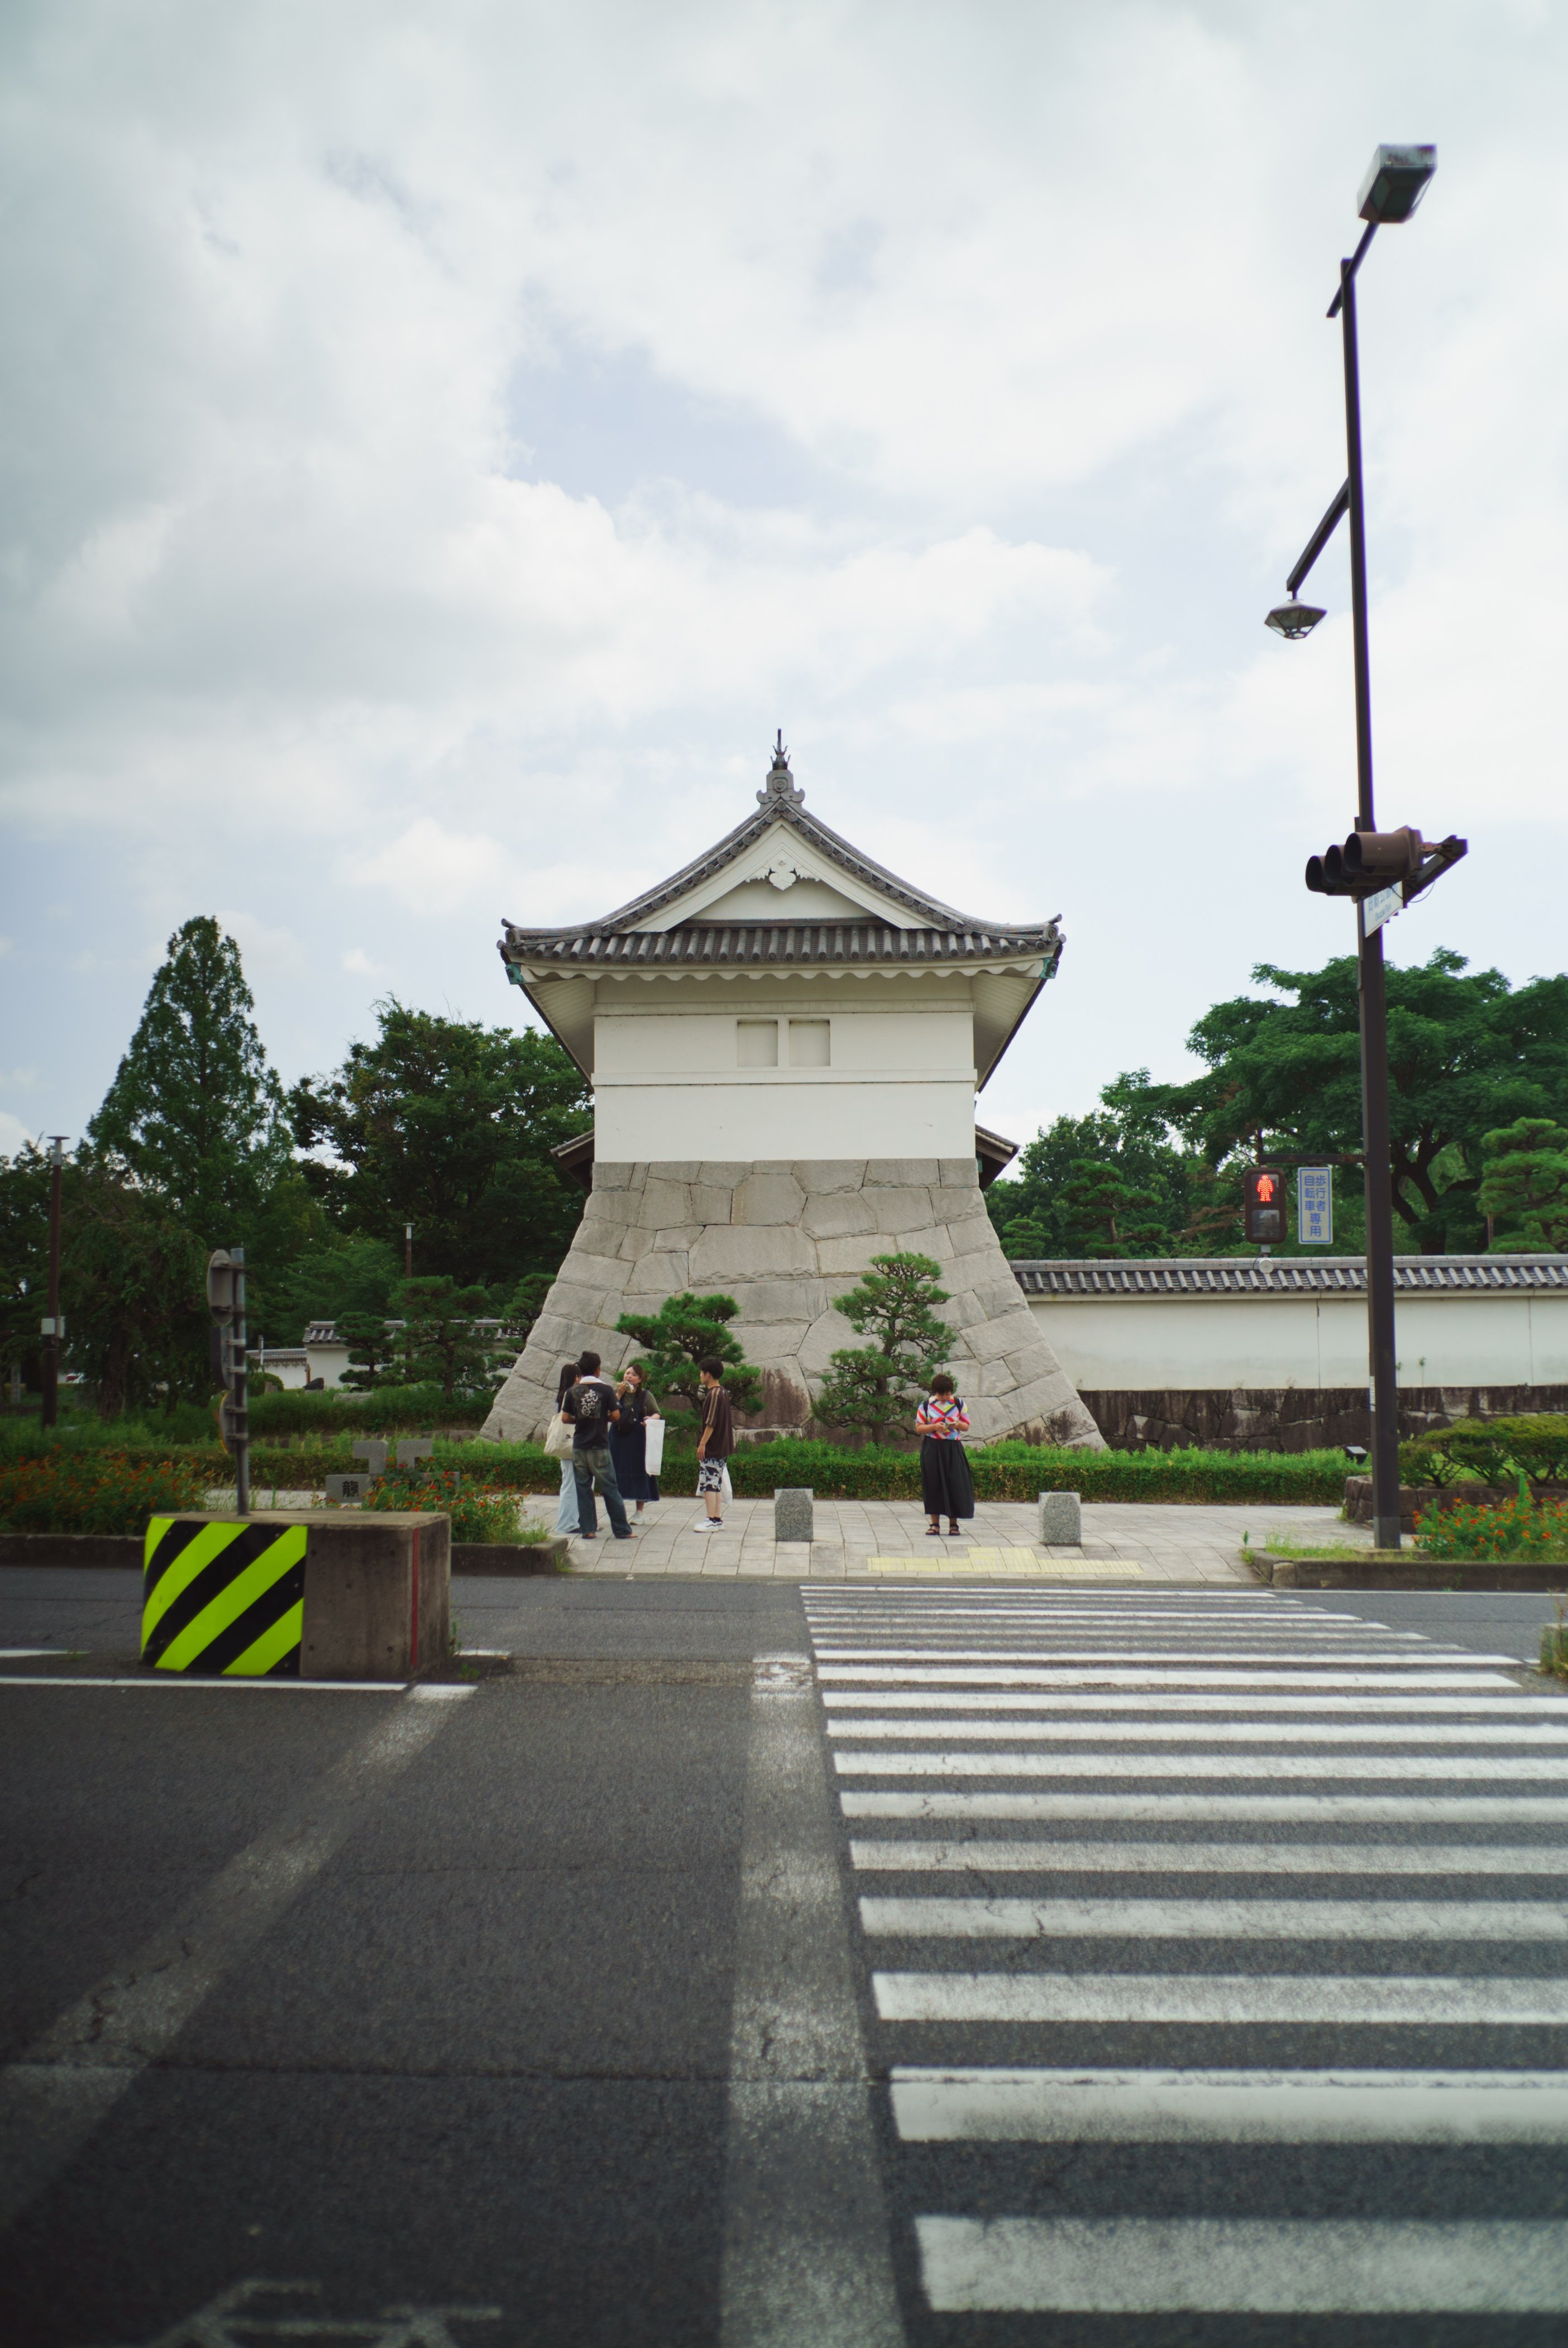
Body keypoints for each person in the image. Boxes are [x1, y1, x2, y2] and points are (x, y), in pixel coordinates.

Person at [563, 1349, 634, 1542]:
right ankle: (621, 1530)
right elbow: (617, 1416)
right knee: (610, 1488)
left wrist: (580, 1418)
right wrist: (603, 1417)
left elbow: (565, 1417)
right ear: (598, 1370)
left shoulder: (573, 1391)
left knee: (583, 1489)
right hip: (600, 1446)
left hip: (579, 1446)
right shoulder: (606, 1390)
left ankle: (588, 1529)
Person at [916, 1372, 974, 1536]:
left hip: (953, 1447)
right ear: (935, 1392)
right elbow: (919, 1428)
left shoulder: (959, 1403)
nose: (944, 1397)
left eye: (947, 1393)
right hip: (932, 1448)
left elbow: (966, 1426)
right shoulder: (927, 1405)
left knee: (954, 1483)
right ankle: (935, 1524)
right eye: (941, 1394)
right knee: (933, 1484)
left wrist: (957, 1425)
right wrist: (934, 1427)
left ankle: (954, 1525)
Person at [610, 1361, 661, 1512]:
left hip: (638, 1439)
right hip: (618, 1437)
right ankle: (618, 1510)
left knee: (640, 1472)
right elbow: (608, 1412)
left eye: (634, 1375)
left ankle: (640, 1512)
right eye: (627, 1373)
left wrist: (652, 1419)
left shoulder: (646, 1395)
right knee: (616, 1472)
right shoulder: (616, 1393)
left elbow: (658, 1413)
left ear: (640, 1379)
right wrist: (618, 1394)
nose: (629, 1376)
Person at [694, 1355, 733, 1529]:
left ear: (708, 1374)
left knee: (709, 1482)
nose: (700, 1376)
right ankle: (716, 1519)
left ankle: (711, 1519)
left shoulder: (714, 1394)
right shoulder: (723, 1392)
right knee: (716, 1482)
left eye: (702, 1373)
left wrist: (702, 1444)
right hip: (723, 1446)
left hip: (713, 1446)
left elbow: (711, 1422)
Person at [552, 1361, 585, 1534]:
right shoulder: (571, 1395)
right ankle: (567, 1524)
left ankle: (573, 1522)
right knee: (571, 1485)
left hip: (564, 1444)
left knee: (569, 1482)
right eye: (579, 1376)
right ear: (575, 1377)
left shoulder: (560, 1395)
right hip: (572, 1443)